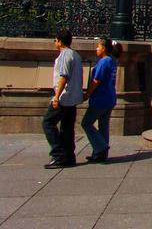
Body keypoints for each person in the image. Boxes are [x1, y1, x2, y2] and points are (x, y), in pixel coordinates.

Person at [42, 29, 83, 169]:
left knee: (48, 123)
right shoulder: (76, 55)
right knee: (67, 128)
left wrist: (56, 96)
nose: (54, 42)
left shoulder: (65, 55)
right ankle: (69, 156)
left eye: (55, 40)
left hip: (64, 97)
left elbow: (64, 76)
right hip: (73, 98)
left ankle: (58, 154)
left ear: (59, 41)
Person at [81, 38, 119, 163]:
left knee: (86, 123)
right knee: (103, 125)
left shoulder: (104, 62)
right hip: (109, 97)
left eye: (98, 47)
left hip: (100, 98)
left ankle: (100, 147)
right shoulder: (112, 61)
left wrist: (88, 93)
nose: (96, 49)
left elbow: (97, 81)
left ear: (104, 48)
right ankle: (100, 153)